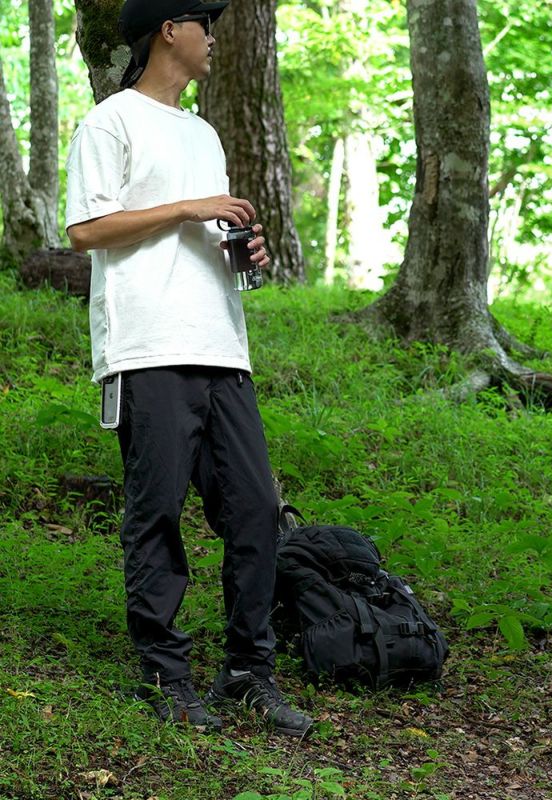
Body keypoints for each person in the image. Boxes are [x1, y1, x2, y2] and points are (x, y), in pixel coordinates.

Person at [65, 0, 313, 737]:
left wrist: (245, 252)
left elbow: (203, 234)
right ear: (170, 29)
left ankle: (248, 673)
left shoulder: (203, 133)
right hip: (148, 349)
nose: (214, 39)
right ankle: (164, 677)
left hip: (222, 347)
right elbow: (85, 229)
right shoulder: (110, 122)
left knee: (255, 512)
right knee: (158, 513)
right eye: (206, 24)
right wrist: (185, 208)